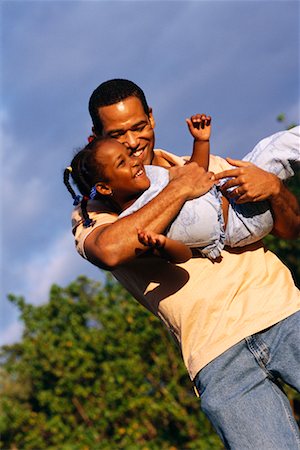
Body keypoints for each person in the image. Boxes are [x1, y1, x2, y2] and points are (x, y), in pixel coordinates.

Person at [70, 79, 300, 449]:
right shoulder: (94, 211)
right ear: (96, 137)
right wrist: (182, 189)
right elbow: (109, 251)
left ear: (152, 119)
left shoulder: (197, 165)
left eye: (139, 127)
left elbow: (291, 228)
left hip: (285, 314)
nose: (132, 142)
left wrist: (274, 188)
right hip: (217, 357)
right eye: (118, 133)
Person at [65, 119, 299, 261]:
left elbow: (195, 172)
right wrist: (163, 246)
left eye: (128, 154)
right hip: (239, 226)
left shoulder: (154, 176)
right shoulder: (136, 224)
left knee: (278, 144)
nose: (134, 159)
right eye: (121, 163)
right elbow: (183, 256)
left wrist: (201, 141)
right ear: (104, 188)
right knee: (278, 149)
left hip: (233, 193)